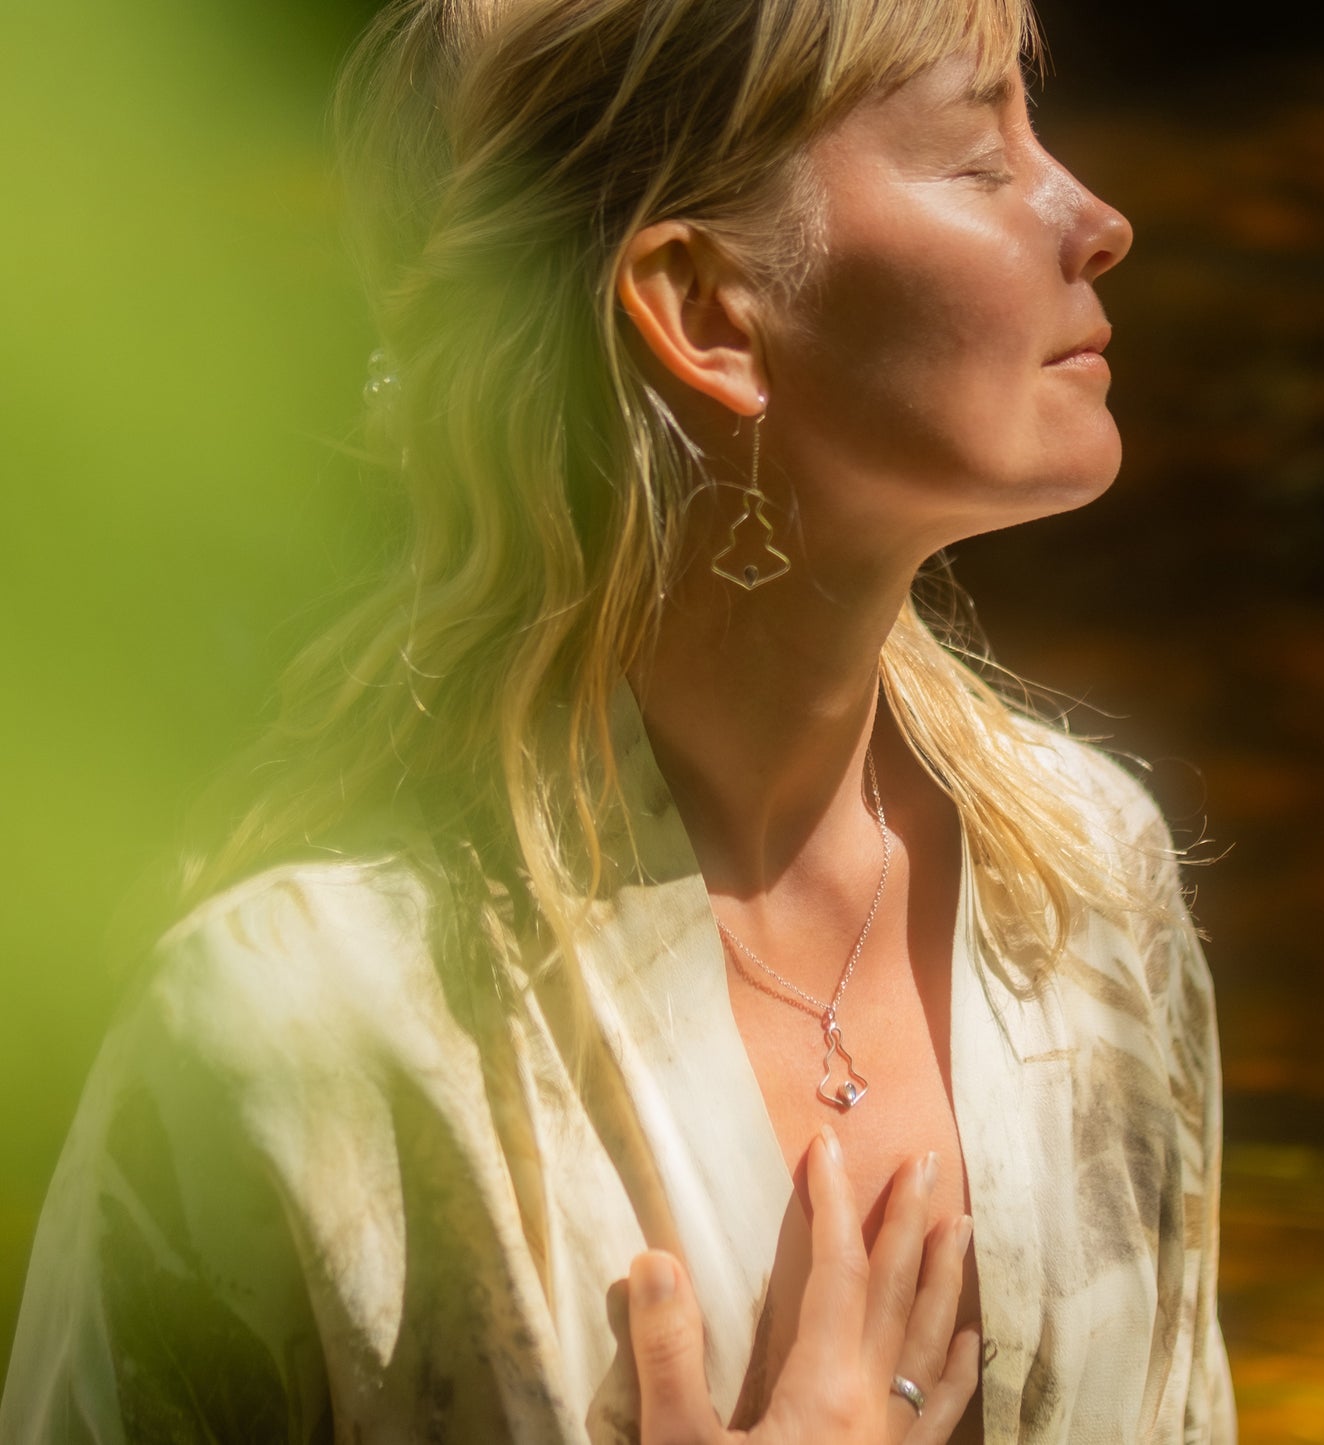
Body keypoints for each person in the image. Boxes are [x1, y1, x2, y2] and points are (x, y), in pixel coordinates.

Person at [0, 0, 1235, 1440]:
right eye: (977, 154)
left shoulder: (1086, 888)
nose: (1096, 218)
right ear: (707, 308)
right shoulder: (302, 1034)